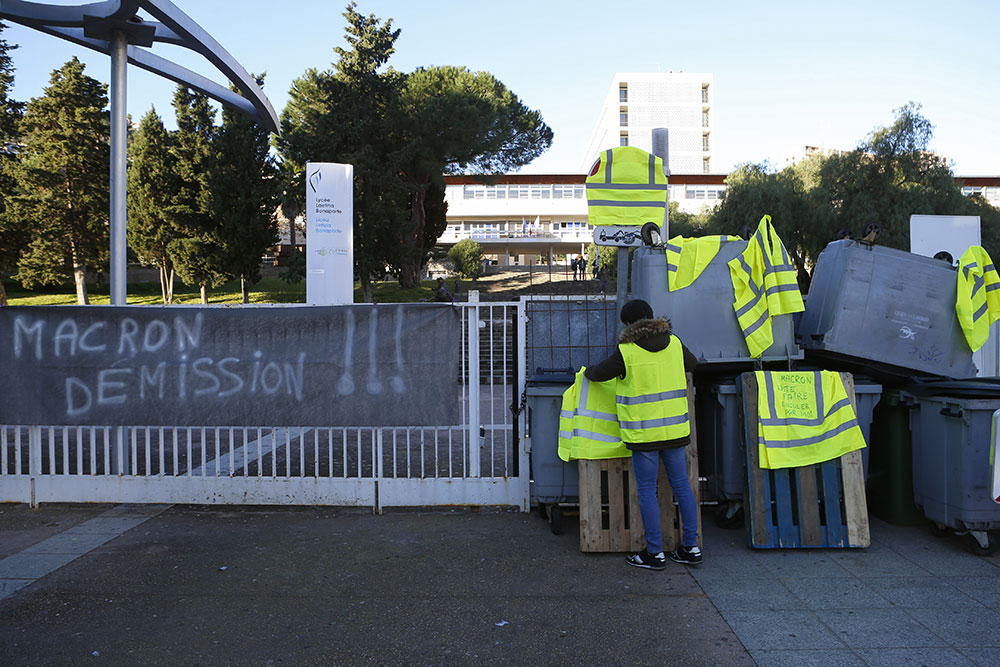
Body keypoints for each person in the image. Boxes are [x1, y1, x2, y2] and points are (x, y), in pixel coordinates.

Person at [584, 299, 701, 570]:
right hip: (674, 430)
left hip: (644, 435)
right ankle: (691, 548)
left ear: (628, 324)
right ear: (651, 316)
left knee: (647, 490)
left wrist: (586, 372)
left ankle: (655, 553)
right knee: (681, 486)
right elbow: (693, 364)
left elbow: (599, 374)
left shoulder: (627, 351)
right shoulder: (674, 343)